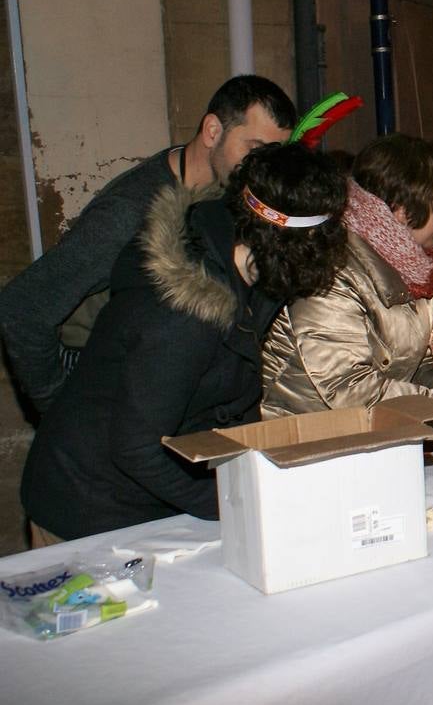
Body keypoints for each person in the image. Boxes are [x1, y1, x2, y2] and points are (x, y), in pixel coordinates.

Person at [20, 143, 348, 544]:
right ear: (302, 245)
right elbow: (136, 448)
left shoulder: (252, 268)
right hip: (89, 507)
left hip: (151, 494)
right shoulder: (184, 314)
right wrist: (234, 504)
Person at [0, 74, 296, 416]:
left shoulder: (227, 193)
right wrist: (60, 411)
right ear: (213, 131)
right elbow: (22, 308)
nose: (263, 166)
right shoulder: (128, 211)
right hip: (103, 378)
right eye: (255, 150)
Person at [261, 134, 433, 441]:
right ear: (400, 210)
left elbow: (424, 361)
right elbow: (348, 386)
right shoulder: (330, 271)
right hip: (303, 445)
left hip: (370, 441)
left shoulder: (416, 266)